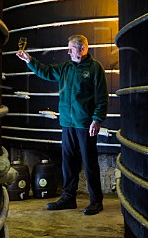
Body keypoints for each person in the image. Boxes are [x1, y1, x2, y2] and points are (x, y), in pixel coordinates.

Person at [16, 34, 108, 215]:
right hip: (67, 123)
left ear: (83, 49)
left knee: (89, 162)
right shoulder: (66, 68)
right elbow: (48, 71)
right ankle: (68, 198)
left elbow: (102, 96)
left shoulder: (95, 68)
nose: (68, 52)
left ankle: (96, 201)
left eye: (71, 49)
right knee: (68, 162)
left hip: (85, 124)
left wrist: (97, 119)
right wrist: (29, 60)